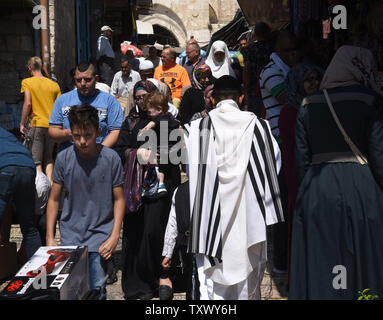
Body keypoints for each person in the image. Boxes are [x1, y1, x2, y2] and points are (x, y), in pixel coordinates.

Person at [289, 46, 383, 300]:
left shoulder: (309, 103)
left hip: (318, 189)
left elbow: (302, 160)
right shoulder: (369, 100)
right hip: (362, 187)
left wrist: (311, 193)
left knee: (325, 259)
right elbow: (378, 156)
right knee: (363, 258)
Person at [184, 76, 283, 300]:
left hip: (210, 222)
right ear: (241, 98)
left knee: (212, 290)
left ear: (211, 99)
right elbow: (273, 168)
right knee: (247, 288)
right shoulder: (260, 126)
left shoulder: (195, 129)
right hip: (249, 220)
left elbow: (192, 173)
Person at [46, 104, 125, 300]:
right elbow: (54, 199)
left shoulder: (111, 158)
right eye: (76, 136)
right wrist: (49, 236)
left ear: (98, 131)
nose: (82, 141)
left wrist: (115, 235)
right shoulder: (64, 158)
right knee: (70, 292)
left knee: (97, 290)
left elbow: (119, 199)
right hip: (70, 238)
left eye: (88, 135)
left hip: (100, 238)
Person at [114, 80, 181, 300]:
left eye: (146, 96)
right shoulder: (131, 122)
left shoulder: (167, 121)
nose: (142, 101)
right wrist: (136, 154)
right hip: (137, 186)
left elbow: (178, 150)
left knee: (156, 230)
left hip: (162, 185)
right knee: (136, 233)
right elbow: (120, 148)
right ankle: (140, 282)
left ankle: (164, 275)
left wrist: (162, 155)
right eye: (138, 97)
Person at [259, 30, 301, 274]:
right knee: (283, 201)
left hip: (291, 143)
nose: (293, 54)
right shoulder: (273, 72)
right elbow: (288, 97)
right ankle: (282, 259)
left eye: (295, 49)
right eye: (288, 50)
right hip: (279, 144)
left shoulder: (289, 70)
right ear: (279, 50)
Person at [278, 63, 324, 282]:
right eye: (309, 80)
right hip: (298, 180)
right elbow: (293, 155)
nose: (314, 83)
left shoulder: (320, 105)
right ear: (297, 84)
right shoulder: (290, 112)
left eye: (317, 78)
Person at [49, 61, 123, 152]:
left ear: (96, 79)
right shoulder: (63, 100)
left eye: (87, 80)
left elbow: (115, 132)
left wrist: (98, 152)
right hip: (69, 156)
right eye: (78, 80)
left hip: (98, 155)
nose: (83, 84)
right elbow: (53, 130)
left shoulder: (109, 101)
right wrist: (71, 133)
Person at [0, 127, 41, 260]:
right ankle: (37, 275)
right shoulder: (6, 134)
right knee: (29, 228)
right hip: (28, 168)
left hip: (5, 167)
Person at [20, 56, 61, 185]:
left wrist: (21, 123)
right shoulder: (54, 85)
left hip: (36, 124)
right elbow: (59, 107)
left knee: (37, 161)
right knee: (49, 158)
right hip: (52, 126)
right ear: (42, 68)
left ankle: (41, 191)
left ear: (29, 68)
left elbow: (27, 103)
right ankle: (50, 190)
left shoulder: (27, 82)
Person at [139, 91, 181, 197]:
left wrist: (145, 129)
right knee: (158, 166)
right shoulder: (172, 119)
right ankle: (156, 184)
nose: (148, 115)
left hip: (164, 149)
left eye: (149, 112)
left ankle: (150, 184)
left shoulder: (159, 119)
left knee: (156, 165)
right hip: (167, 149)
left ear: (159, 109)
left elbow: (153, 123)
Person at [243, 22, 273, 115]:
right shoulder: (274, 47)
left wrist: (246, 92)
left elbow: (247, 71)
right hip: (274, 85)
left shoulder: (250, 49)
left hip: (256, 89)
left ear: (255, 34)